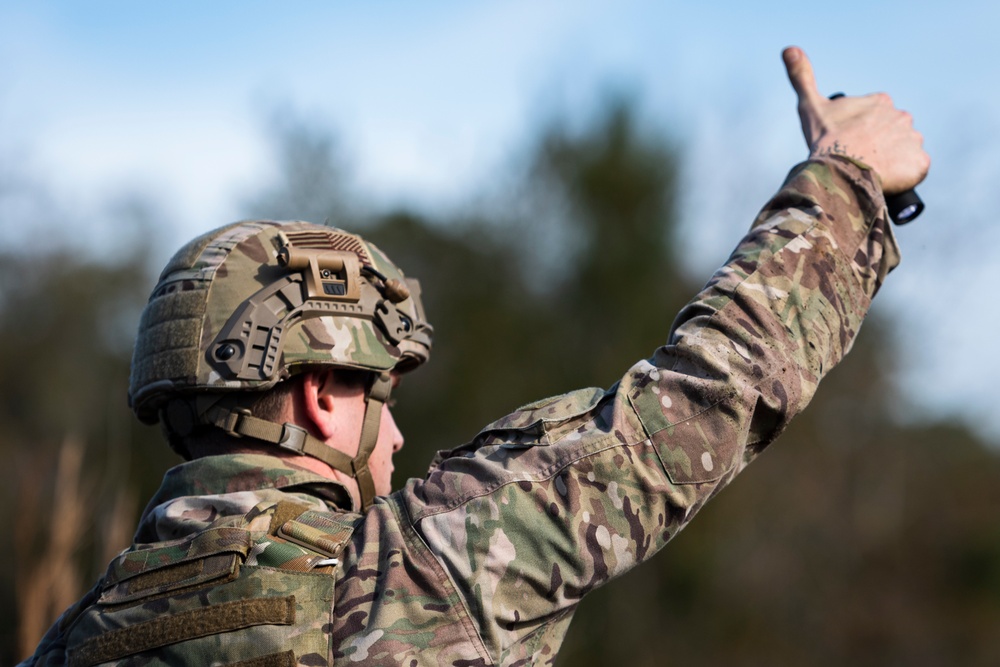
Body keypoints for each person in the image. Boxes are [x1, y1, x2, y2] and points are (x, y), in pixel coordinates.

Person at [21, 46, 929, 666]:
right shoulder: (410, 572)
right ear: (320, 396)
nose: (398, 431)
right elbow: (693, 409)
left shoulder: (67, 639)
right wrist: (843, 179)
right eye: (381, 390)